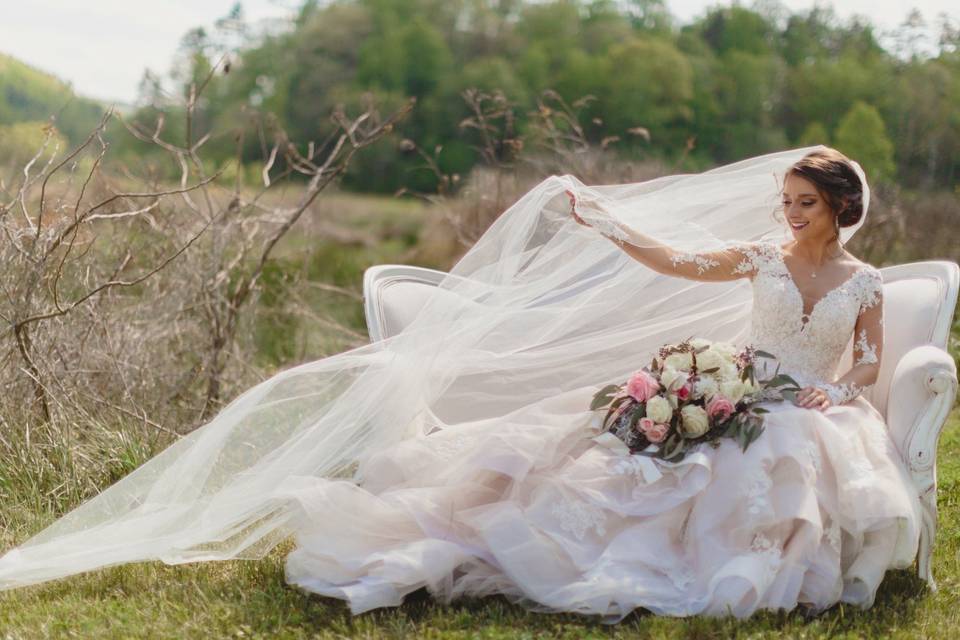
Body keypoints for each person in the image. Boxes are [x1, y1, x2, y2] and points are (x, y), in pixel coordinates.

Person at [0, 146, 923, 622]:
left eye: (805, 204)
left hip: (797, 402)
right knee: (596, 457)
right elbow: (680, 261)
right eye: (786, 202)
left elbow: (872, 359)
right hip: (721, 381)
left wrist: (839, 389)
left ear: (842, 211)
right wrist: (605, 223)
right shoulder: (760, 256)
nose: (789, 215)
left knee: (781, 463)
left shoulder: (863, 283)